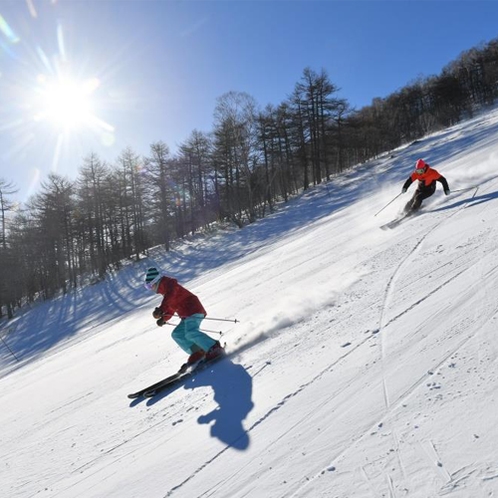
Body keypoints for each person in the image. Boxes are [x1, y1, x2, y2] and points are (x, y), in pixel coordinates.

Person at [144, 267, 224, 370]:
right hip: (187, 315)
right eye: (147, 287)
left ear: (156, 281)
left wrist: (161, 309)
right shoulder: (166, 292)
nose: (150, 288)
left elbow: (170, 297)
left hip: (193, 310)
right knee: (177, 334)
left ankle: (214, 347)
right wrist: (164, 318)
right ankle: (198, 352)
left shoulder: (170, 285)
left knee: (190, 332)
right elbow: (170, 307)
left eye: (149, 285)